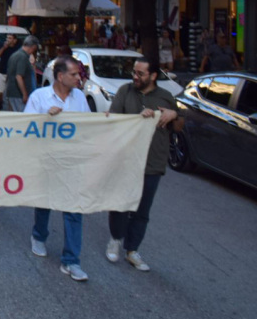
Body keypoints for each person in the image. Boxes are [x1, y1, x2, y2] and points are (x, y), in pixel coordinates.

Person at [105, 57, 184, 272]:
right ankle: (115, 239)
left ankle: (132, 250)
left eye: (140, 73)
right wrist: (138, 119)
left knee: (142, 209)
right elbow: (113, 120)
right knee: (121, 203)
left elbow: (178, 127)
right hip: (126, 159)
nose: (135, 77)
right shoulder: (125, 91)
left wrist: (174, 113)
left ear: (153, 76)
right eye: (134, 72)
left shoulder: (166, 97)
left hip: (152, 162)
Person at [26, 55, 91, 282]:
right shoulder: (39, 97)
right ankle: (39, 235)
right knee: (45, 202)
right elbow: (25, 127)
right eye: (74, 74)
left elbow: (90, 127)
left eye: (78, 74)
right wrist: (46, 118)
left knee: (74, 210)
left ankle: (71, 260)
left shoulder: (80, 98)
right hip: (47, 161)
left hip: (73, 162)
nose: (78, 78)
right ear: (60, 76)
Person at [5, 35, 39, 112]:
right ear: (33, 47)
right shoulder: (22, 57)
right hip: (18, 94)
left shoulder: (16, 55)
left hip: (13, 93)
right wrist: (24, 94)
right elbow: (19, 76)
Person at [0, 34, 19, 108]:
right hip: (2, 71)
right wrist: (4, 48)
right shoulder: (2, 46)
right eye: (7, 38)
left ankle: (10, 107)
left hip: (12, 73)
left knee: (11, 92)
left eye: (10, 38)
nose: (8, 40)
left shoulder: (17, 48)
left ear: (14, 40)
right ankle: (0, 103)